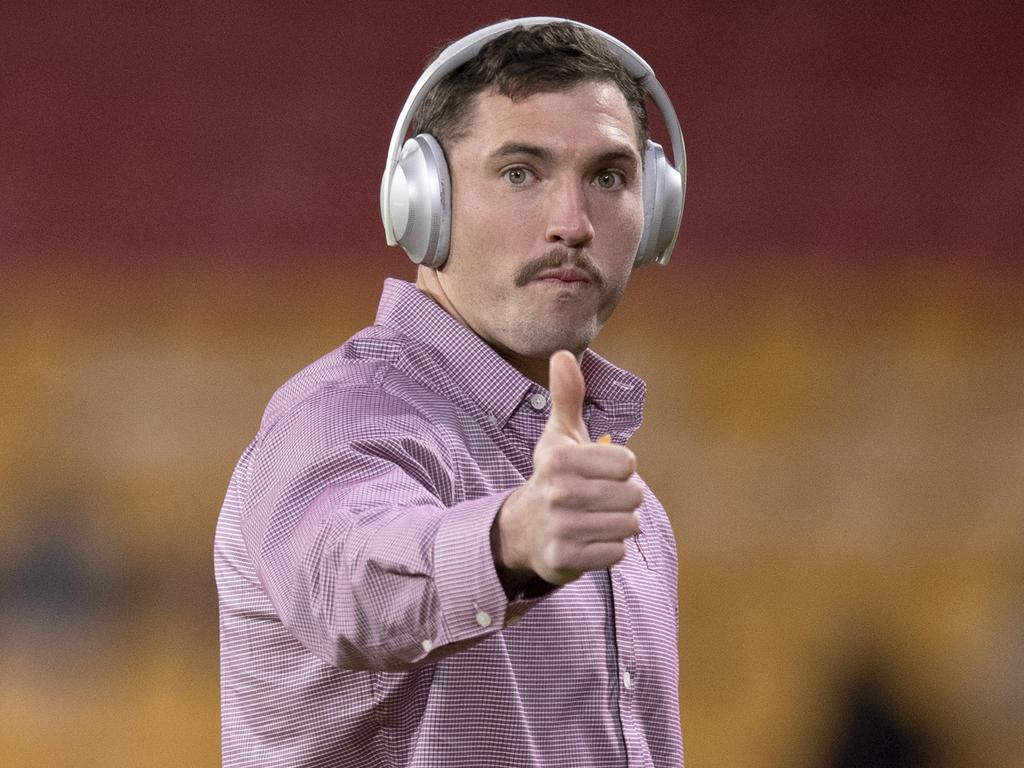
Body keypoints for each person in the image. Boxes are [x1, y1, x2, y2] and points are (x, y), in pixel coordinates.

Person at [216, 17, 686, 767]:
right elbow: (354, 576)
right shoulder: (333, 421)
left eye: (608, 177)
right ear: (422, 200)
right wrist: (513, 541)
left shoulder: (622, 510)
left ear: (655, 209)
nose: (572, 223)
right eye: (520, 172)